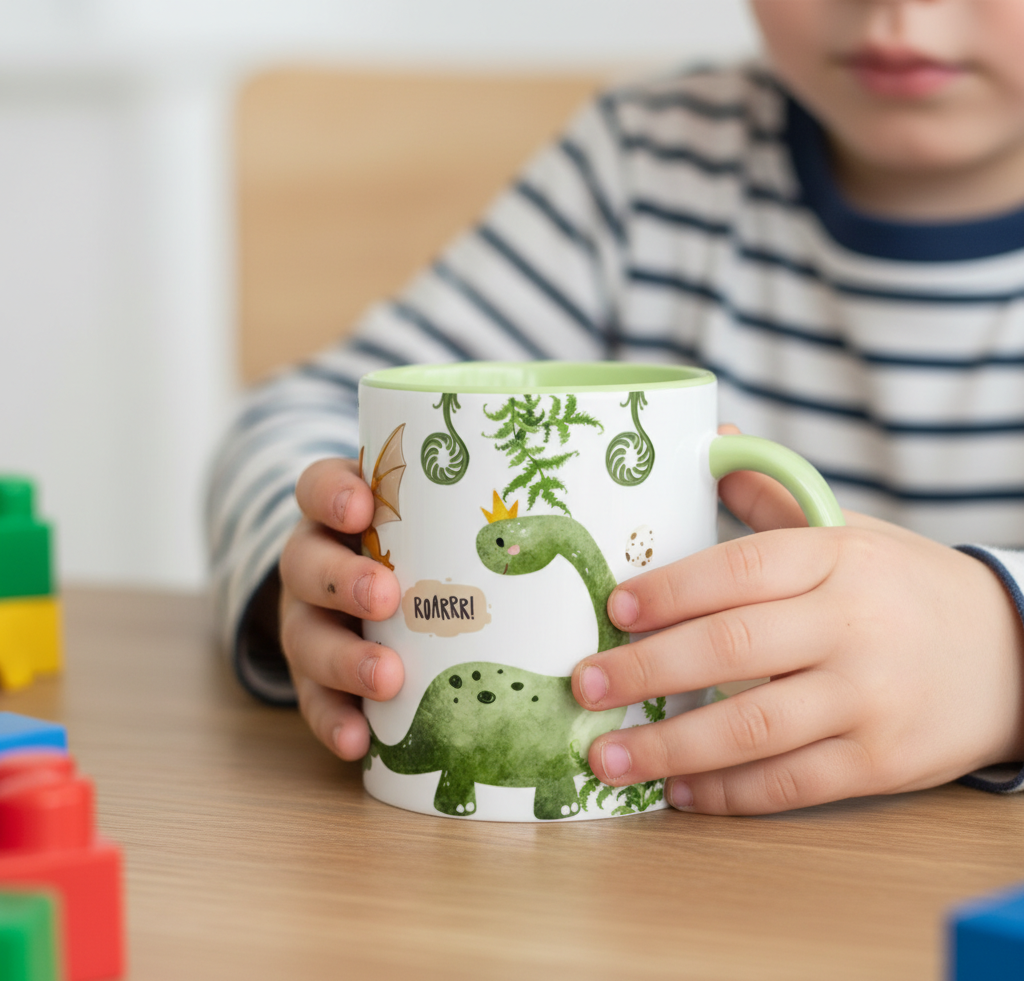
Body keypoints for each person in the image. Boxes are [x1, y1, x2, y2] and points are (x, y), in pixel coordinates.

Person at [207, 0, 1024, 815]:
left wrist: (1007, 652)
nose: (898, 9)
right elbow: (291, 418)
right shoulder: (646, 162)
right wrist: (319, 582)